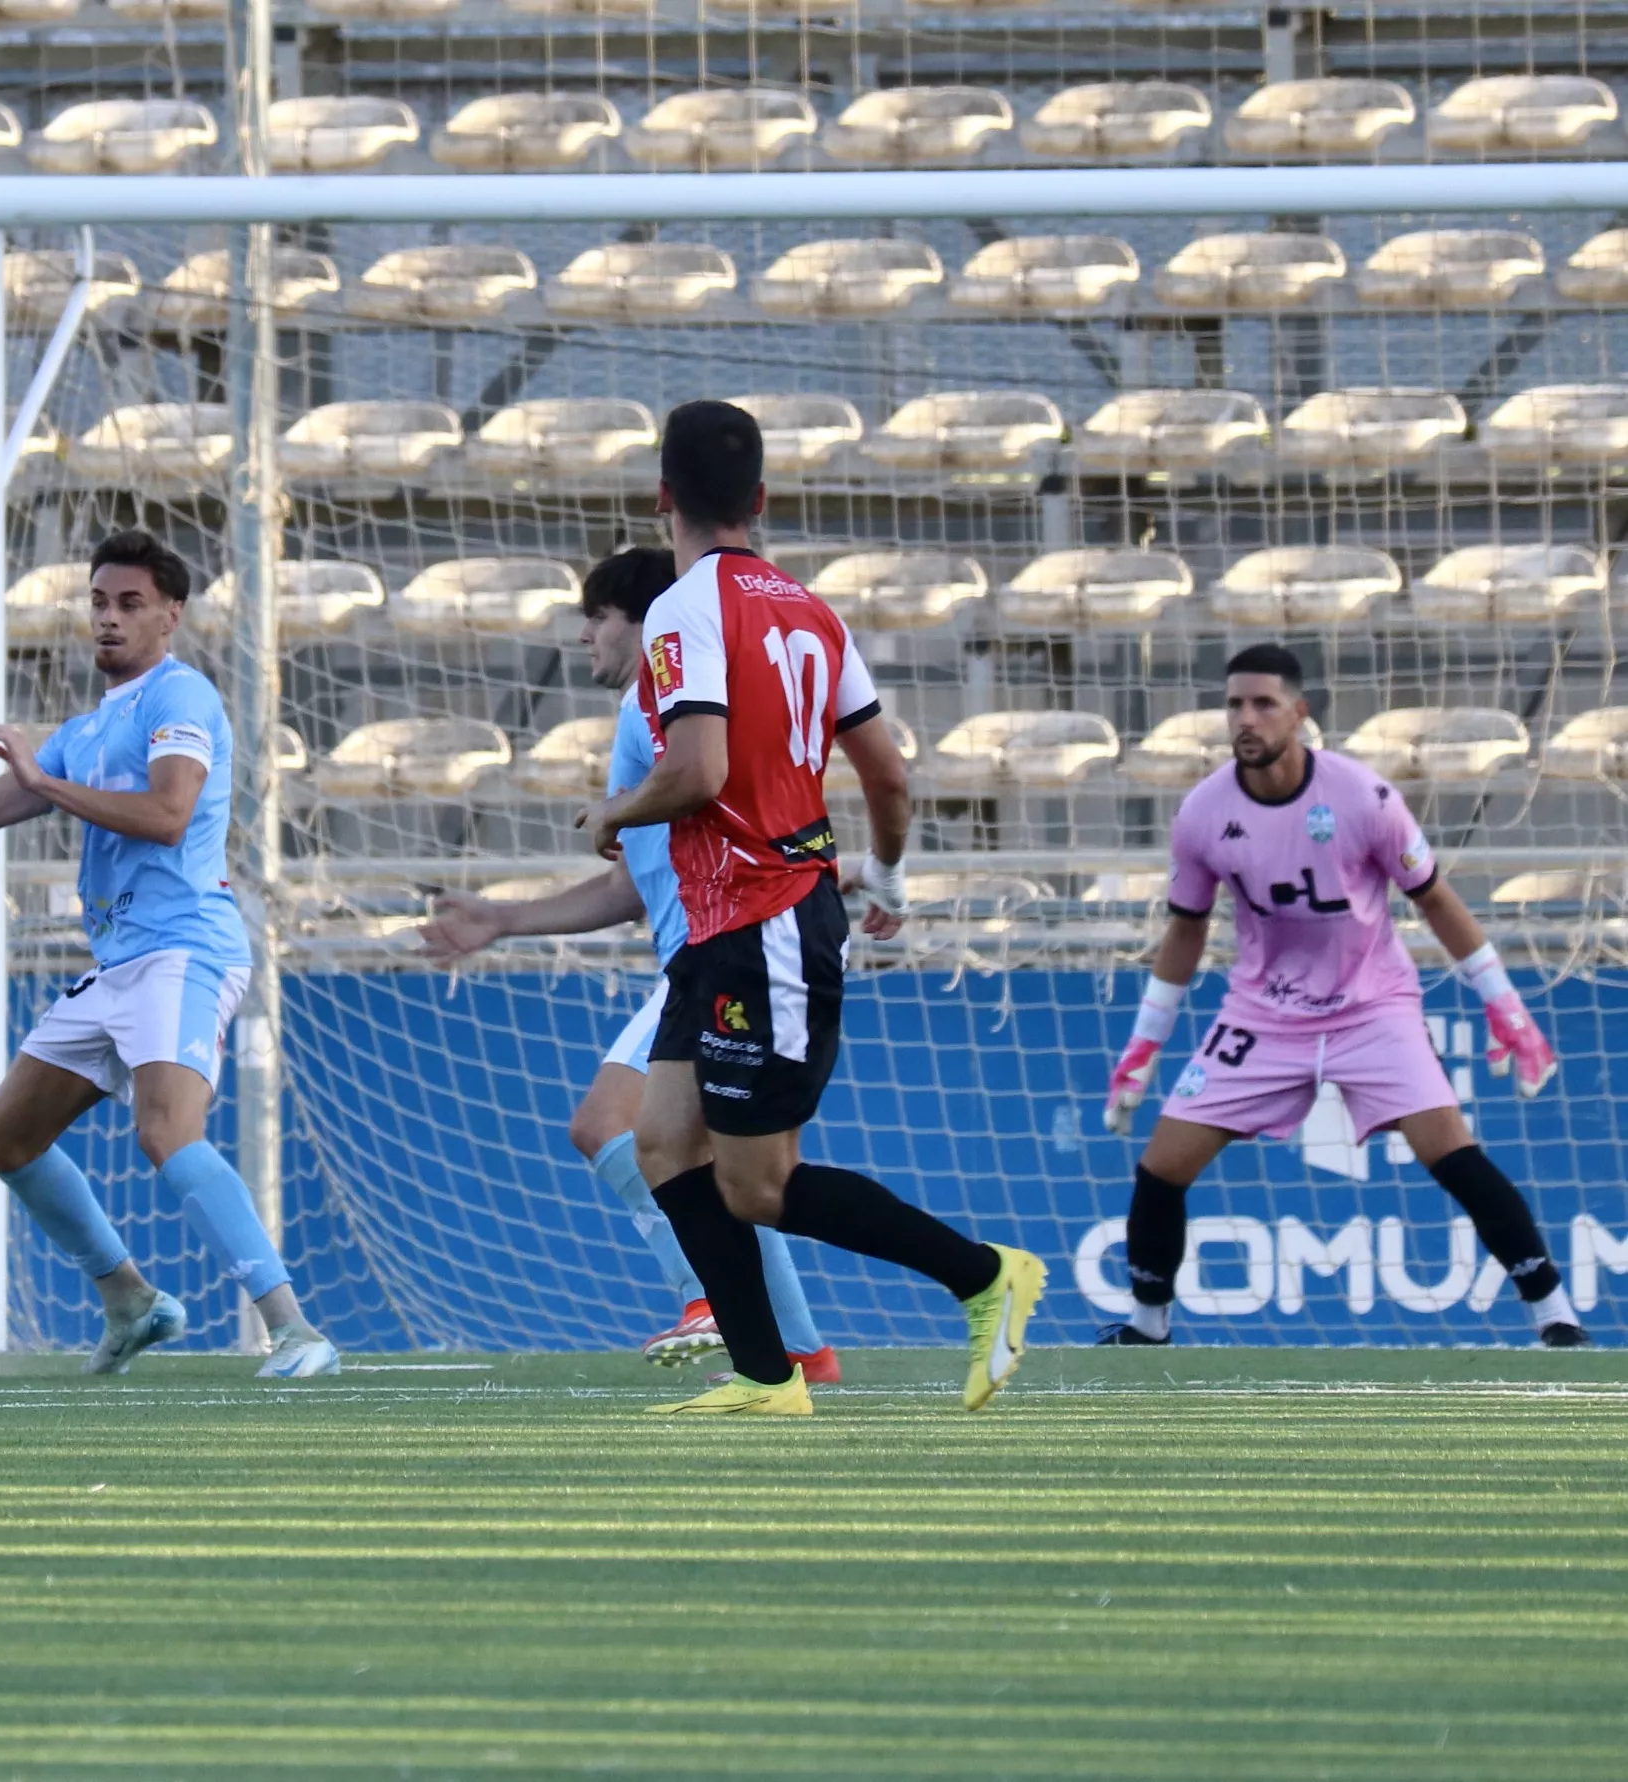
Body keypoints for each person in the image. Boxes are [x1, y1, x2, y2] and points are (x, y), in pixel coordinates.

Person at [589, 399, 1044, 1417]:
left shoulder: (684, 609)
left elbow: (698, 771)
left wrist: (613, 809)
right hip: (728, 925)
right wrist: (884, 874)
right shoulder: (810, 611)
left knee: (758, 1184)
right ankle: (766, 1375)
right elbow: (886, 773)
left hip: (765, 919)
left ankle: (984, 1276)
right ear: (761, 499)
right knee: (661, 1142)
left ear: (662, 498)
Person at [0, 528, 340, 1379]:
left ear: (171, 616)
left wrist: (44, 782)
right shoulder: (86, 731)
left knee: (167, 1132)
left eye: (129, 604)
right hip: (120, 964)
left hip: (186, 947)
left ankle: (295, 1330)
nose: (108, 620)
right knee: (5, 1137)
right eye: (98, 602)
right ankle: (129, 1299)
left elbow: (168, 816)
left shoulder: (179, 700)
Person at [420, 547, 838, 1382]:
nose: (584, 636)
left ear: (652, 624)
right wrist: (504, 918)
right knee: (714, 1165)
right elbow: (634, 882)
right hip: (697, 961)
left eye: (599, 616)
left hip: (731, 951)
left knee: (619, 1128)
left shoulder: (683, 712)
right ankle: (803, 1353)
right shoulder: (637, 723)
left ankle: (714, 1299)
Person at [1098, 643, 1586, 1348]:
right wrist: (1145, 1042)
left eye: (1264, 703)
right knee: (1162, 1165)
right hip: (1264, 1014)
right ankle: (1147, 1327)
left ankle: (1556, 1317)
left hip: (1371, 1006)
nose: (1246, 718)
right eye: (1235, 704)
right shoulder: (1203, 813)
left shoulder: (1363, 797)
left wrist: (1504, 1005)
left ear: (1300, 713)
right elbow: (1186, 930)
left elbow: (1437, 901)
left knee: (1450, 1152)